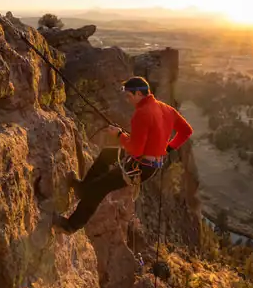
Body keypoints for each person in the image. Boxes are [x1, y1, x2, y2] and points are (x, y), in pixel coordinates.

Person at [52, 76, 193, 234]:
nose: (127, 99)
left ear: (139, 94)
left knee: (99, 188)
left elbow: (135, 150)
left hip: (139, 166)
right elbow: (186, 131)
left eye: (129, 96)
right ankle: (83, 189)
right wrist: (168, 149)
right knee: (107, 154)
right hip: (148, 163)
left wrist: (119, 135)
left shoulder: (142, 113)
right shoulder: (166, 108)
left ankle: (71, 225)